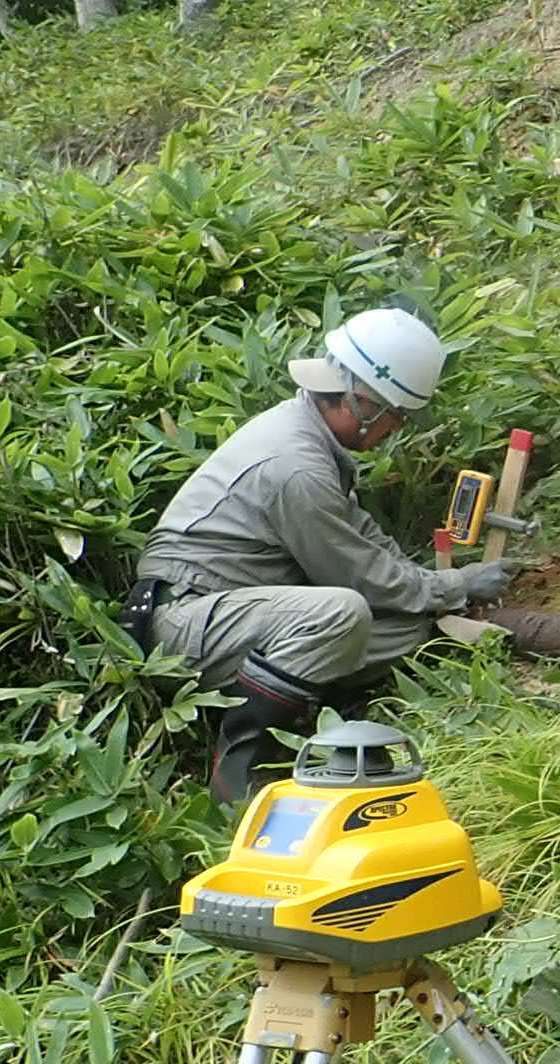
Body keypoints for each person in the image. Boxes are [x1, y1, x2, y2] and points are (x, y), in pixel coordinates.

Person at [132, 308, 510, 804]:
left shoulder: (308, 436)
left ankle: (302, 707)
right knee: (342, 612)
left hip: (241, 610)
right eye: (396, 418)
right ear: (364, 403)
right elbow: (361, 575)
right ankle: (242, 772)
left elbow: (362, 537)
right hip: (183, 619)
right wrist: (455, 586)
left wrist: (428, 592)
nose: (394, 431)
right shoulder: (297, 467)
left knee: (406, 627)